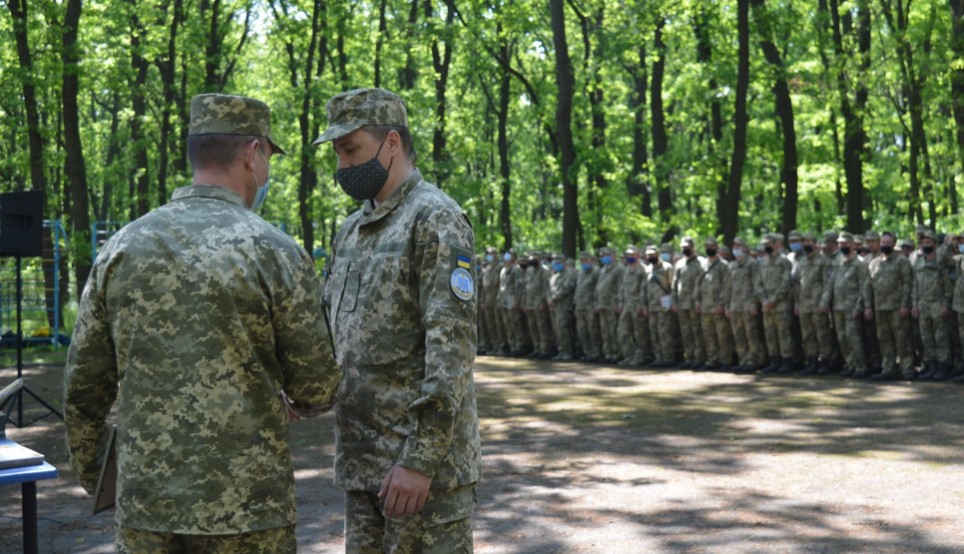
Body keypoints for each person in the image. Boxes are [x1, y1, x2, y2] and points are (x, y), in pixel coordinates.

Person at [64, 93, 342, 552]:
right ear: (252, 154)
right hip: (249, 514)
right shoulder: (275, 252)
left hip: (147, 509)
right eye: (269, 157)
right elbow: (315, 387)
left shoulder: (121, 248)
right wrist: (293, 398)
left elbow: (83, 387)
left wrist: (104, 478)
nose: (267, 170)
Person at [315, 88, 480, 552]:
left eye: (351, 150)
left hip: (422, 477)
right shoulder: (352, 229)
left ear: (391, 143)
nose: (342, 166)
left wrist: (420, 460)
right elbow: (337, 334)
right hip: (362, 466)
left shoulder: (435, 219)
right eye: (337, 154)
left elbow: (452, 348)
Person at [865, 231, 916, 380]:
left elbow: (908, 284)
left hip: (897, 307)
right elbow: (868, 286)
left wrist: (905, 305)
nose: (885, 245)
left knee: (902, 339)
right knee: (884, 339)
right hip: (880, 307)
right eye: (883, 242)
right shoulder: (874, 263)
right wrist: (868, 306)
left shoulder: (901, 261)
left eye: (888, 243)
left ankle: (907, 369)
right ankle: (888, 368)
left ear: (894, 244)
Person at [822, 232, 870, 377]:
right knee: (842, 338)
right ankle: (850, 364)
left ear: (852, 244)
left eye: (845, 244)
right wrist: (825, 301)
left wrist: (860, 307)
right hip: (838, 307)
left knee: (853, 337)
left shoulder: (860, 263)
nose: (843, 246)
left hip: (851, 307)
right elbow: (831, 283)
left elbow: (864, 287)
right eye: (840, 244)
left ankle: (860, 366)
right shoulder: (838, 262)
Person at [913, 229, 953, 381]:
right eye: (923, 242)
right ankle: (931, 366)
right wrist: (915, 304)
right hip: (923, 305)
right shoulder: (919, 260)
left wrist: (945, 305)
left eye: (928, 242)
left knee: (940, 337)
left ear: (935, 244)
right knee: (927, 338)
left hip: (938, 304)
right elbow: (915, 285)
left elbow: (948, 285)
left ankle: (943, 367)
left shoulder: (941, 260)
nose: (925, 244)